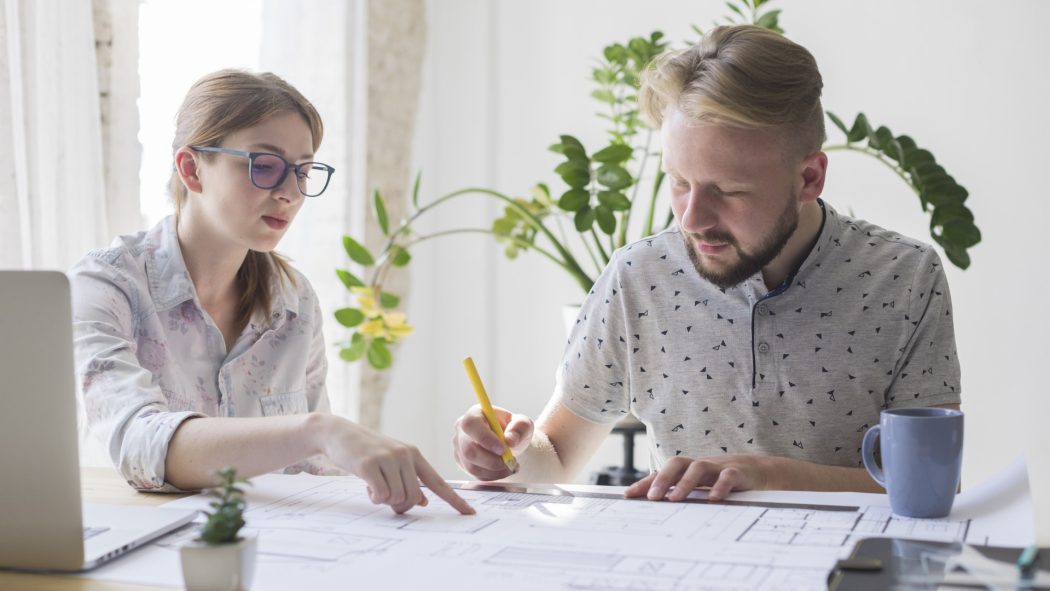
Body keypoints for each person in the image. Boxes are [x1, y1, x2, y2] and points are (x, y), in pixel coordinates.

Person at [452, 25, 961, 501]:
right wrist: (509, 453)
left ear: (809, 179)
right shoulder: (638, 277)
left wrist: (768, 474)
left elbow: (930, 486)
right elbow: (557, 457)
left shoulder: (905, 277)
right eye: (679, 181)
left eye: (729, 190)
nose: (692, 218)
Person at [71, 70, 472, 515]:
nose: (290, 193)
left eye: (303, 171)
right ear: (192, 169)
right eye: (264, 166)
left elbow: (315, 475)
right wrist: (318, 431)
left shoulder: (295, 302)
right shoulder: (106, 286)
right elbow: (140, 446)